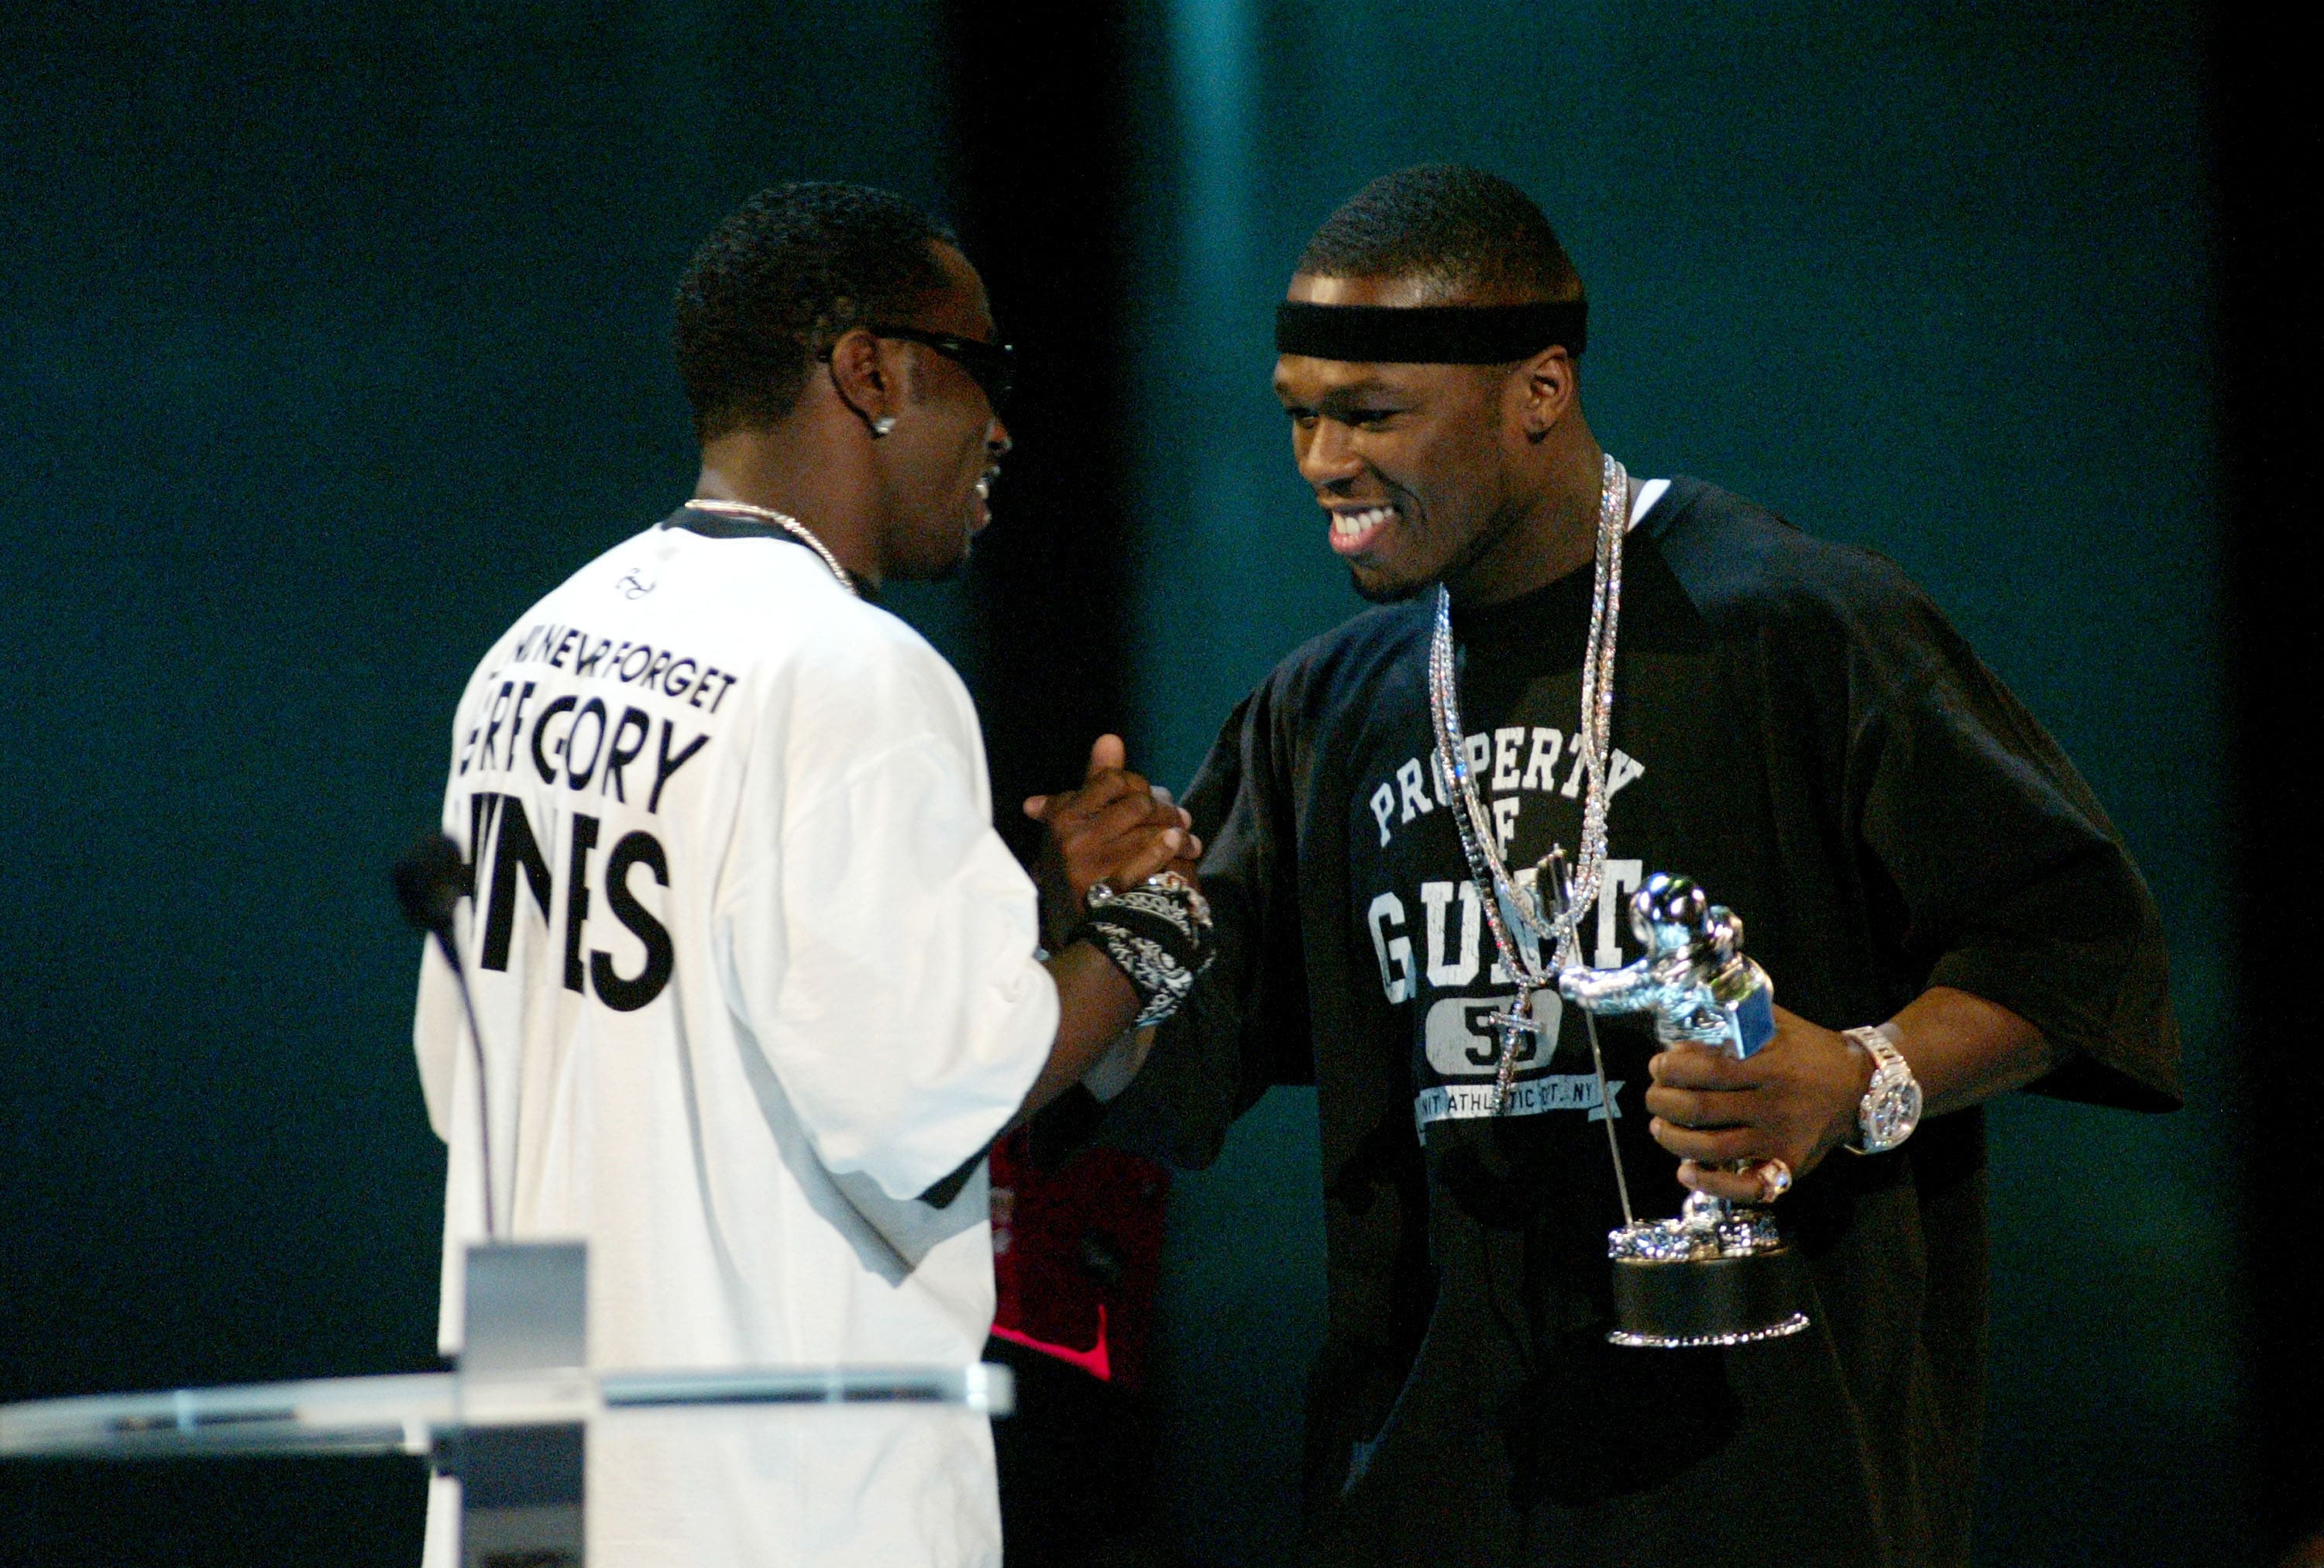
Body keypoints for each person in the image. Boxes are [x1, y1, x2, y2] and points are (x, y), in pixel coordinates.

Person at [1071, 165, 2181, 1566]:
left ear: (1537, 392)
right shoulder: (1323, 705)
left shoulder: (1795, 625)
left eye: (1369, 415)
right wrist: (1113, 928)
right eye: (1299, 414)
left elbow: (2080, 947)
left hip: (1773, 1488)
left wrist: (1861, 1076)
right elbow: (1176, 1075)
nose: (1319, 462)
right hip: (1431, 1495)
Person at [411, 181, 1206, 1568]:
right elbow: (925, 1100)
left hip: (530, 1488)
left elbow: (468, 1077)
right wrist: (1147, 934)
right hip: (774, 1502)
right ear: (872, 372)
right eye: (984, 372)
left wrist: (1019, 924)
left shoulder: (529, 651)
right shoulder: (858, 672)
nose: (1004, 426)